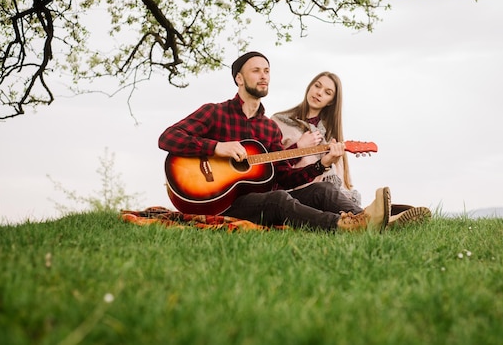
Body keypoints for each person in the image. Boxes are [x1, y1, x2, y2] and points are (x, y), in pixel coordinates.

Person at [158, 51, 391, 232]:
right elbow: (168, 137)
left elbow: (285, 177)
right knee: (278, 200)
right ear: (239, 78)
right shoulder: (215, 112)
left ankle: (376, 222)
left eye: (267, 71)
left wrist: (323, 164)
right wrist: (217, 148)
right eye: (256, 71)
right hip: (223, 202)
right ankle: (341, 226)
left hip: (259, 200)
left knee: (325, 190)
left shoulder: (269, 128)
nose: (263, 76)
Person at [272, 72, 432, 228]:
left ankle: (384, 217)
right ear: (310, 87)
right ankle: (378, 219)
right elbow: (271, 165)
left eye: (327, 92)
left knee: (329, 191)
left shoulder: (329, 136)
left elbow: (338, 179)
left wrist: (329, 162)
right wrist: (298, 146)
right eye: (317, 86)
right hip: (293, 196)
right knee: (325, 190)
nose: (319, 93)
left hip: (321, 198)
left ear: (330, 102)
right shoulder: (279, 122)